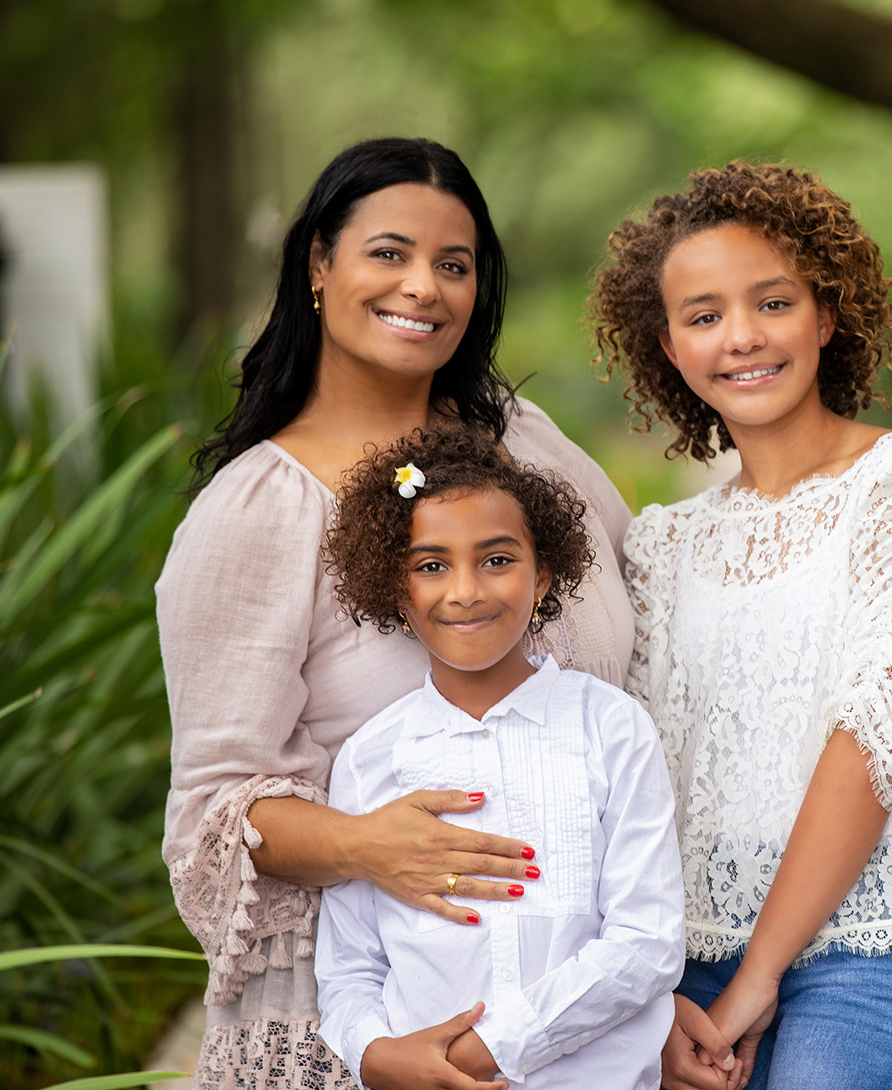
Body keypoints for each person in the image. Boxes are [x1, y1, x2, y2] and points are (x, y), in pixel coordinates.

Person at [157, 137, 636, 1088]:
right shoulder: (261, 510)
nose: (423, 287)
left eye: (452, 265)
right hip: (368, 1019)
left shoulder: (523, 446)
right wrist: (368, 843)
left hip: (578, 1005)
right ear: (318, 267)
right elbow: (211, 811)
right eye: (389, 253)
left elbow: (649, 599)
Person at [590, 161, 892, 1090]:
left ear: (825, 312)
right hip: (687, 966)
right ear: (669, 349)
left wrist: (762, 972)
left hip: (877, 950)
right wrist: (645, 997)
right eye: (703, 317)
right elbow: (640, 779)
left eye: (771, 302)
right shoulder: (665, 544)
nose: (741, 337)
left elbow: (875, 741)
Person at [313, 427, 684, 1089]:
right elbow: (349, 971)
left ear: (543, 575)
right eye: (432, 566)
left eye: (496, 560)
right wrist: (377, 1055)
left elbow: (648, 943)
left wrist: (488, 1049)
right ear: (397, 590)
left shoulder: (610, 728)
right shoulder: (371, 760)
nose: (465, 591)